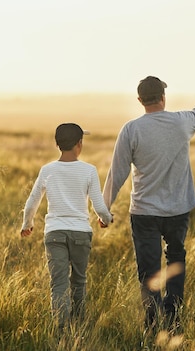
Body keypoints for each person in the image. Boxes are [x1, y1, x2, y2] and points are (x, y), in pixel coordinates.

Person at [102, 76, 195, 333]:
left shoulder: (131, 129)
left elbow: (117, 172)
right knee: (176, 257)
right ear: (163, 97)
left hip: (144, 212)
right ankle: (174, 318)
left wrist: (104, 208)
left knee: (149, 269)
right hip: (178, 209)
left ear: (140, 100)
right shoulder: (181, 123)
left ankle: (152, 325)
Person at [21, 123, 113, 332]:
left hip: (54, 233)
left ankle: (61, 329)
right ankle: (79, 325)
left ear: (57, 144)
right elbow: (98, 205)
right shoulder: (89, 170)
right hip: (81, 233)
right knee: (79, 281)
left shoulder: (47, 170)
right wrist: (106, 219)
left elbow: (32, 201)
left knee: (59, 283)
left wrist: (27, 224)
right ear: (79, 144)